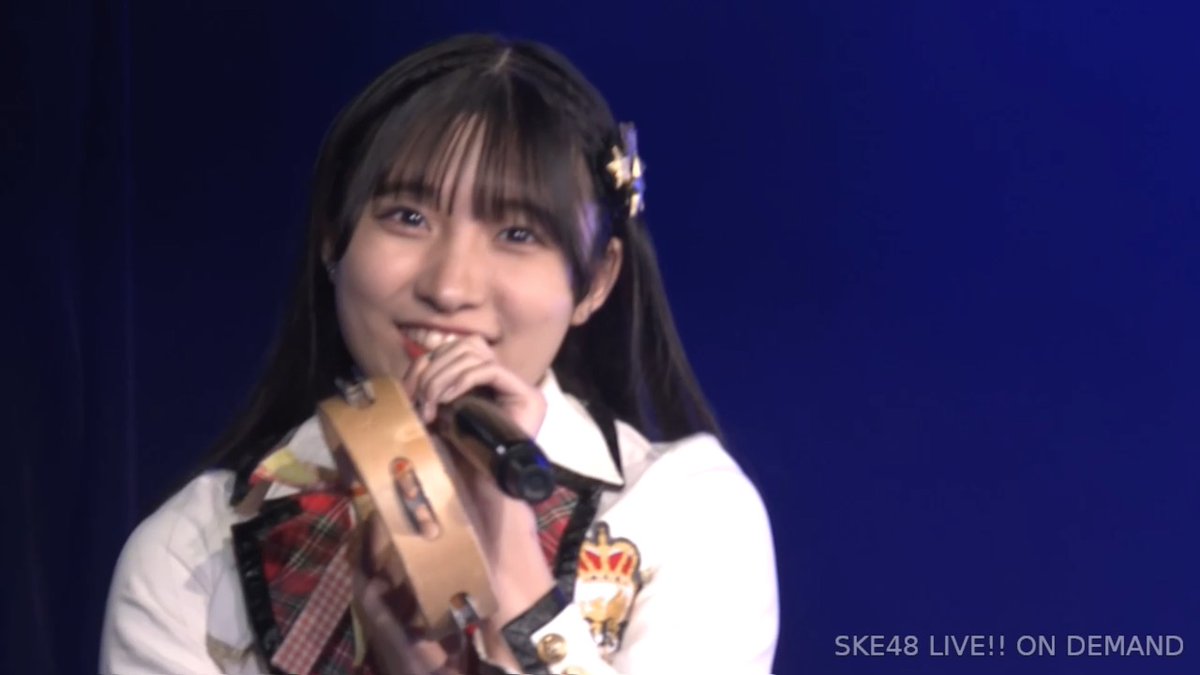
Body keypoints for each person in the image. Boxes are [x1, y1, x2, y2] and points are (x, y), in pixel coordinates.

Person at [100, 33, 778, 674]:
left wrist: (515, 571)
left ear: (596, 281)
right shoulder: (192, 554)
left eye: (518, 233)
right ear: (334, 239)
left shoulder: (685, 514)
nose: (450, 287)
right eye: (409, 217)